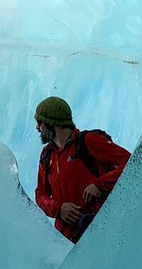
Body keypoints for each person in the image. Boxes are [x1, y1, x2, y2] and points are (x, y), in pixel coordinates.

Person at [33, 96, 131, 243]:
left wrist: (100, 184)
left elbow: (131, 162)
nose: (37, 128)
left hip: (98, 233)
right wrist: (58, 208)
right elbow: (40, 194)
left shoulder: (88, 141)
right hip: (67, 241)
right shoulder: (47, 155)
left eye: (40, 123)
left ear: (52, 123)